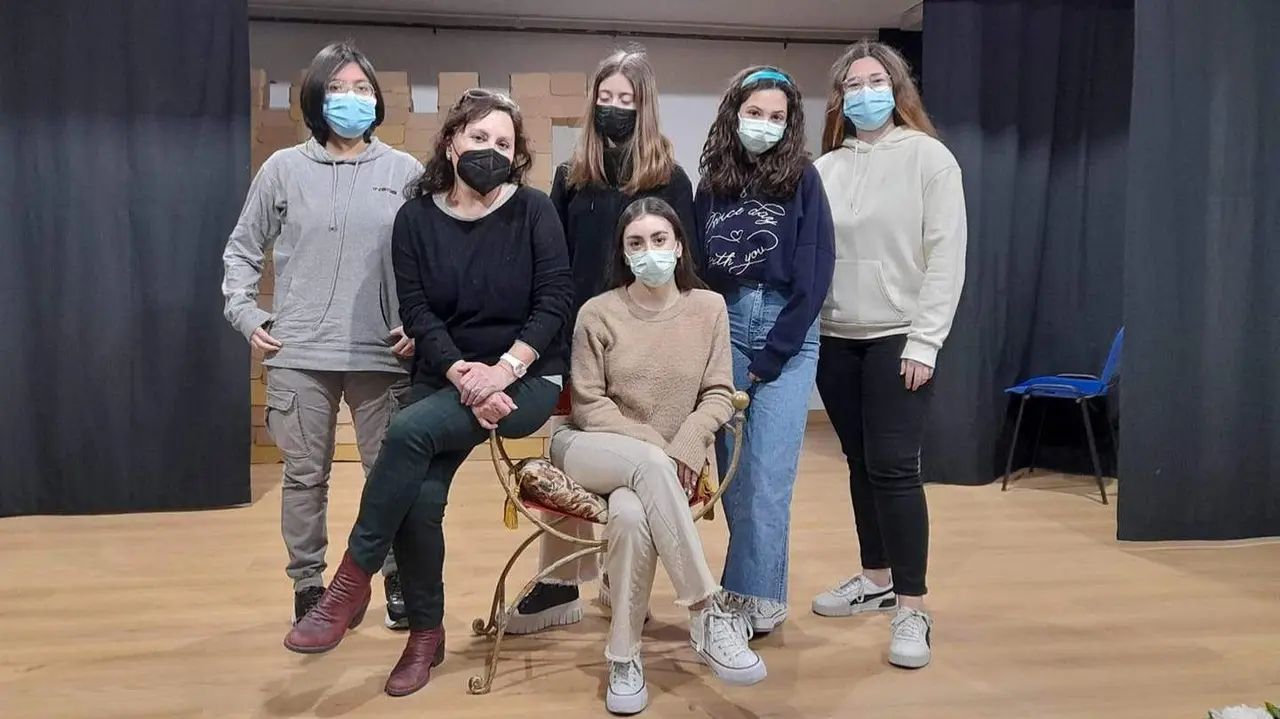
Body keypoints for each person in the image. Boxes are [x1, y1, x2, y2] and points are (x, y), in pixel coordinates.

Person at [281, 89, 573, 698]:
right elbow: (416, 311)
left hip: (530, 377)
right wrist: (467, 375)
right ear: (450, 142)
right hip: (450, 374)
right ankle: (426, 634)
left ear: (517, 155)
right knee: (419, 500)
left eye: (504, 143)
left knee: (408, 431)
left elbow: (554, 302)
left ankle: (349, 584)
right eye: (478, 137)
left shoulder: (536, 211)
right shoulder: (415, 217)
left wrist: (505, 371)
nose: (490, 150)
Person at [221, 41, 422, 628]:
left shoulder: (404, 173)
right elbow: (242, 251)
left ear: (378, 99)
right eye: (338, 88)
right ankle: (309, 585)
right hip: (299, 352)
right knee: (305, 475)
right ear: (315, 97)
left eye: (363, 89)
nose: (352, 99)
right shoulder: (281, 170)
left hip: (381, 352)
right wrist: (247, 315)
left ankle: (391, 576)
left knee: (387, 476)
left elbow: (426, 261)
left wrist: (416, 323)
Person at [508, 45, 697, 637]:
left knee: (629, 463)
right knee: (575, 465)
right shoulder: (571, 175)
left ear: (646, 106)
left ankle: (622, 583)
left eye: (627, 98)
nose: (615, 107)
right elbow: (552, 265)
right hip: (578, 344)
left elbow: (685, 273)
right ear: (593, 101)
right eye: (606, 96)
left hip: (645, 348)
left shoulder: (671, 178)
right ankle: (563, 579)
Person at [552, 197, 765, 715]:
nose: (649, 252)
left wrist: (687, 443)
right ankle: (706, 610)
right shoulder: (597, 312)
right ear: (624, 254)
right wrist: (653, 445)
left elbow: (719, 392)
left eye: (659, 240)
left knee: (629, 514)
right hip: (588, 448)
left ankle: (623, 658)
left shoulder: (708, 308)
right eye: (636, 244)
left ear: (678, 245)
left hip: (658, 469)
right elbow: (587, 403)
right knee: (646, 468)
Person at [809, 40, 967, 670]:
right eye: (853, 84)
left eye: (876, 80)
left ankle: (912, 607)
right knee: (859, 462)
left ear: (898, 90)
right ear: (840, 99)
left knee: (896, 468)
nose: (865, 92)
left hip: (899, 336)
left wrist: (926, 340)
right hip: (835, 337)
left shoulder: (931, 159)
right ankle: (875, 582)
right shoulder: (825, 168)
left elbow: (946, 257)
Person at [691, 66, 835, 636]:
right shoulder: (711, 184)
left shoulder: (803, 179)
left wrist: (771, 358)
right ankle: (743, 591)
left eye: (777, 117)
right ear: (734, 114)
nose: (765, 124)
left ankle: (757, 602)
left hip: (785, 328)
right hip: (723, 322)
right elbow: (698, 270)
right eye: (755, 113)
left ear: (790, 124)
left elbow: (815, 270)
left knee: (768, 477)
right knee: (733, 479)